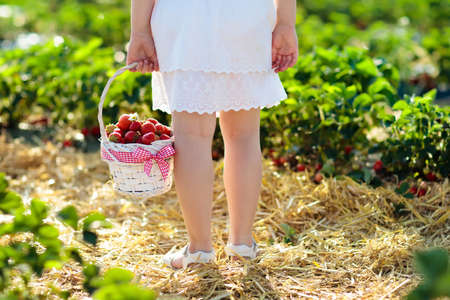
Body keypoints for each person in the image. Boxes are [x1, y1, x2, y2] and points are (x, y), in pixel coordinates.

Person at [126, 0, 298, 270]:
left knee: (191, 136)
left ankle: (199, 250)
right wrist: (286, 23)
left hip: (184, 19)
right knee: (244, 135)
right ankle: (242, 244)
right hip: (244, 17)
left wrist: (139, 31)